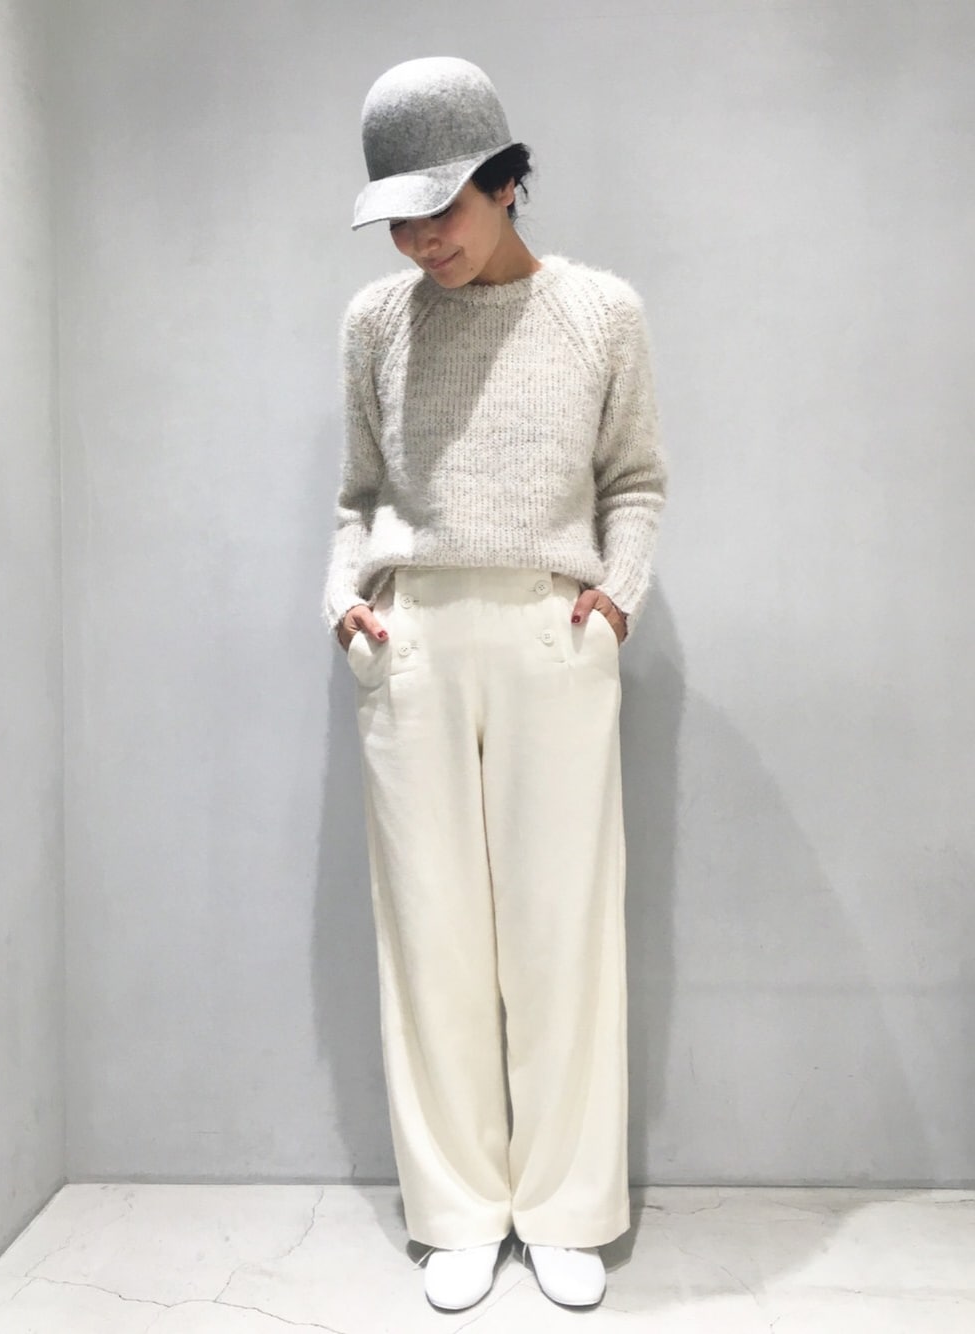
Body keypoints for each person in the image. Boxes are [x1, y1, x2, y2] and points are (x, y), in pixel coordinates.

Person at [323, 56, 667, 1312]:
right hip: (411, 640)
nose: (423, 240)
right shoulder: (375, 324)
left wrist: (615, 597)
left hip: (549, 633)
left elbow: (634, 480)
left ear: (506, 181)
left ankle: (565, 1206)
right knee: (429, 932)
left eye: (443, 208)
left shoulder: (599, 313)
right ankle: (459, 1210)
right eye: (400, 218)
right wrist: (345, 603)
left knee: (562, 925)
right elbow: (358, 494)